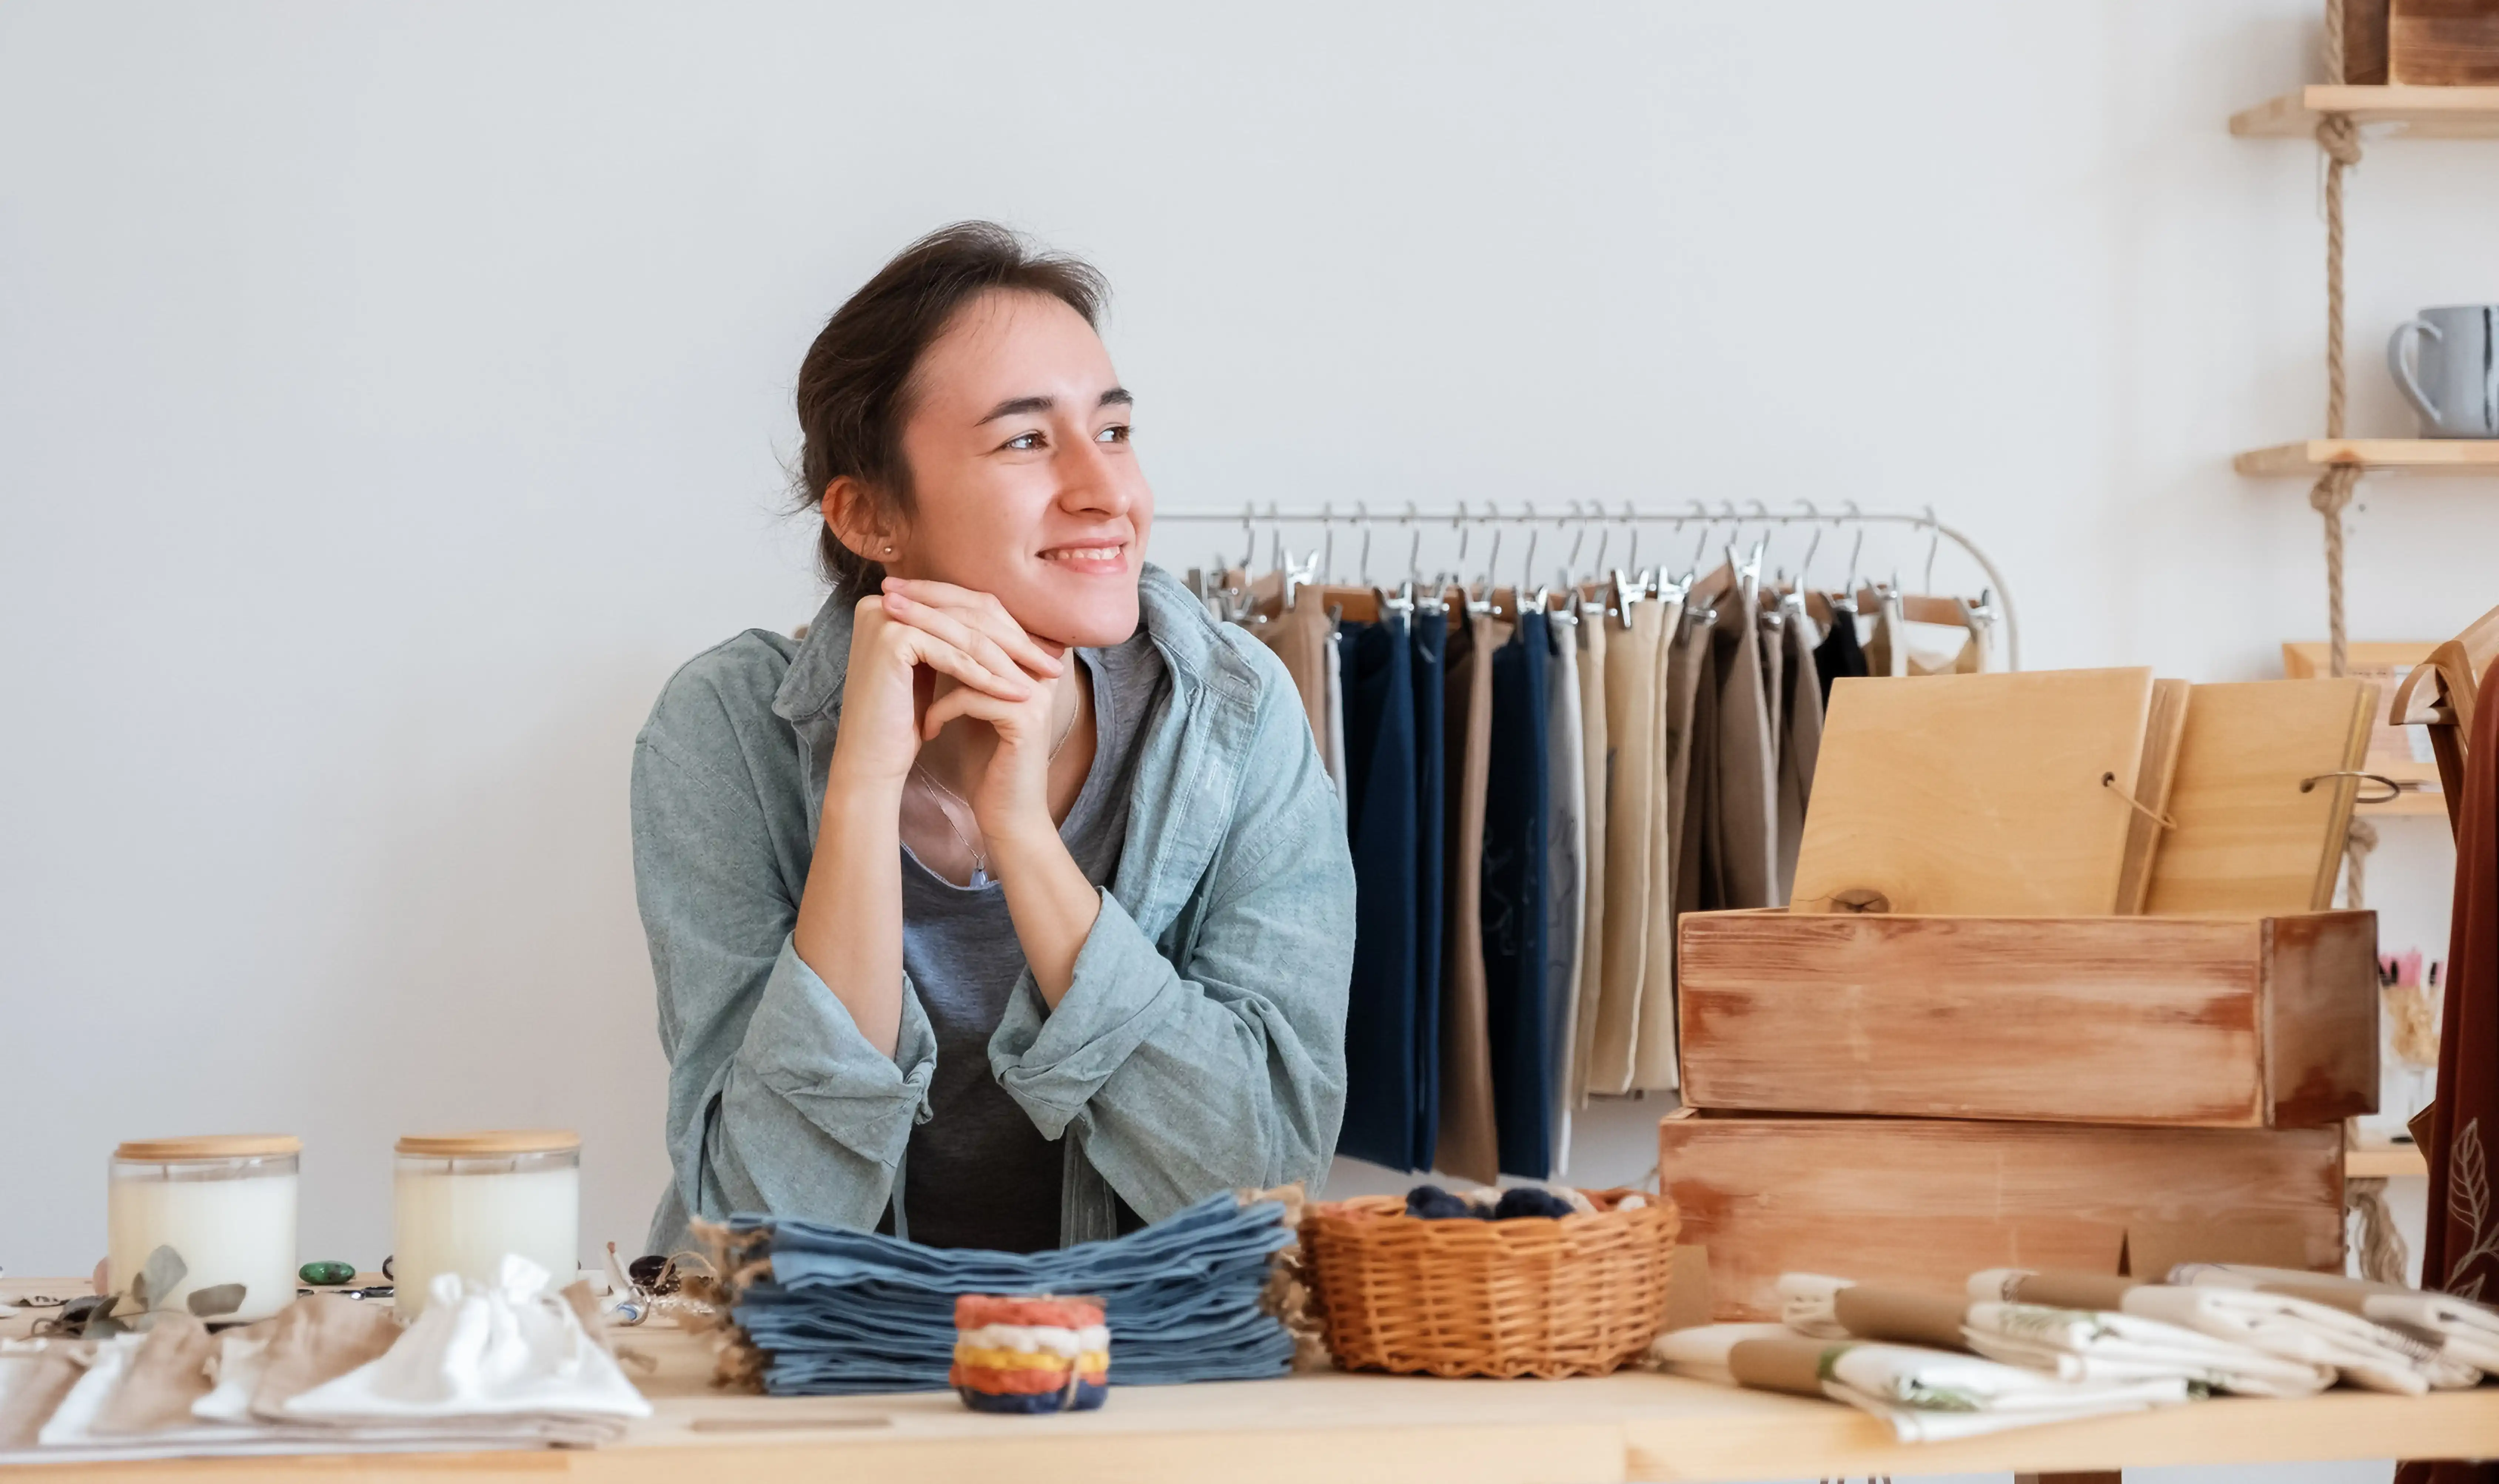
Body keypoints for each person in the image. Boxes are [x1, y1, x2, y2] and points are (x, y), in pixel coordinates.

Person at [631, 222, 1355, 1254]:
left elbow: (1265, 1179)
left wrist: (1022, 834)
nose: (1107, 492)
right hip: (814, 1373)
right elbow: (757, 1223)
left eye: (1112, 431)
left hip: (1140, 1372)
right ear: (870, 516)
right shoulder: (720, 734)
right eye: (1025, 439)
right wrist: (862, 792)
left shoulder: (1237, 716)